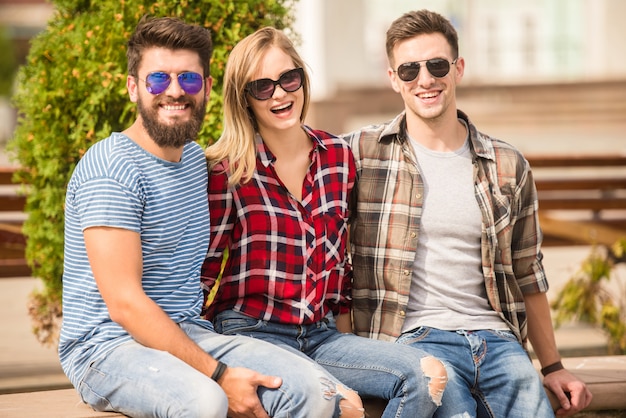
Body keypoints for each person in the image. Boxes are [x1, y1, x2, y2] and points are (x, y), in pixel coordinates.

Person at [58, 16, 346, 418]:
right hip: (107, 347)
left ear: (207, 88)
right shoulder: (111, 169)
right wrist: (220, 373)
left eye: (189, 80)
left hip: (190, 331)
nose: (174, 91)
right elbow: (125, 305)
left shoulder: (196, 162)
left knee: (313, 391)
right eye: (158, 80)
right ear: (132, 87)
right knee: (205, 400)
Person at [343, 9, 593, 418]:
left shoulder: (507, 164)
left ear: (458, 69)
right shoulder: (360, 154)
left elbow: (529, 272)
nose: (425, 79)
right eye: (409, 70)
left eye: (436, 65)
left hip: (497, 342)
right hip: (414, 342)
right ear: (393, 79)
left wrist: (553, 366)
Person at [201, 26, 448, 418]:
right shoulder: (227, 171)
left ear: (302, 78)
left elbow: (340, 261)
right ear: (244, 99)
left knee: (427, 375)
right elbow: (204, 271)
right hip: (251, 333)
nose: (280, 94)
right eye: (262, 87)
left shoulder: (337, 156)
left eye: (288, 78)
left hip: (321, 334)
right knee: (343, 405)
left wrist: (350, 344)